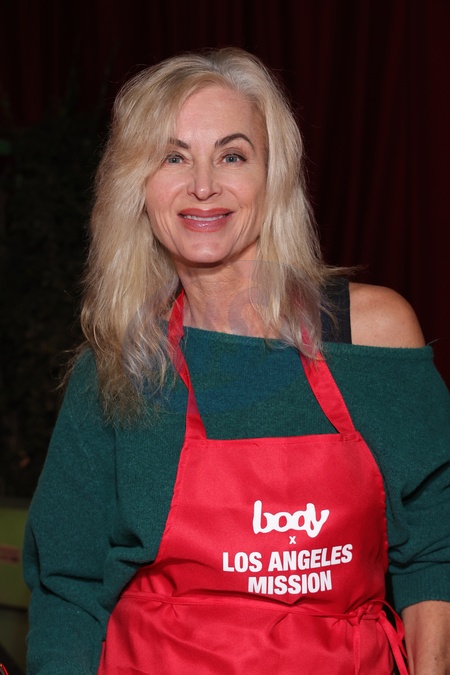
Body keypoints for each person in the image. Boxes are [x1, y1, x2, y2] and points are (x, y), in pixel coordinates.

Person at [23, 47, 450, 674]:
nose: (203, 186)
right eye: (173, 157)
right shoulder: (118, 367)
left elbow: (435, 546)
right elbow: (70, 589)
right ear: (137, 186)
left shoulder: (373, 336)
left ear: (272, 176)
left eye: (232, 155)